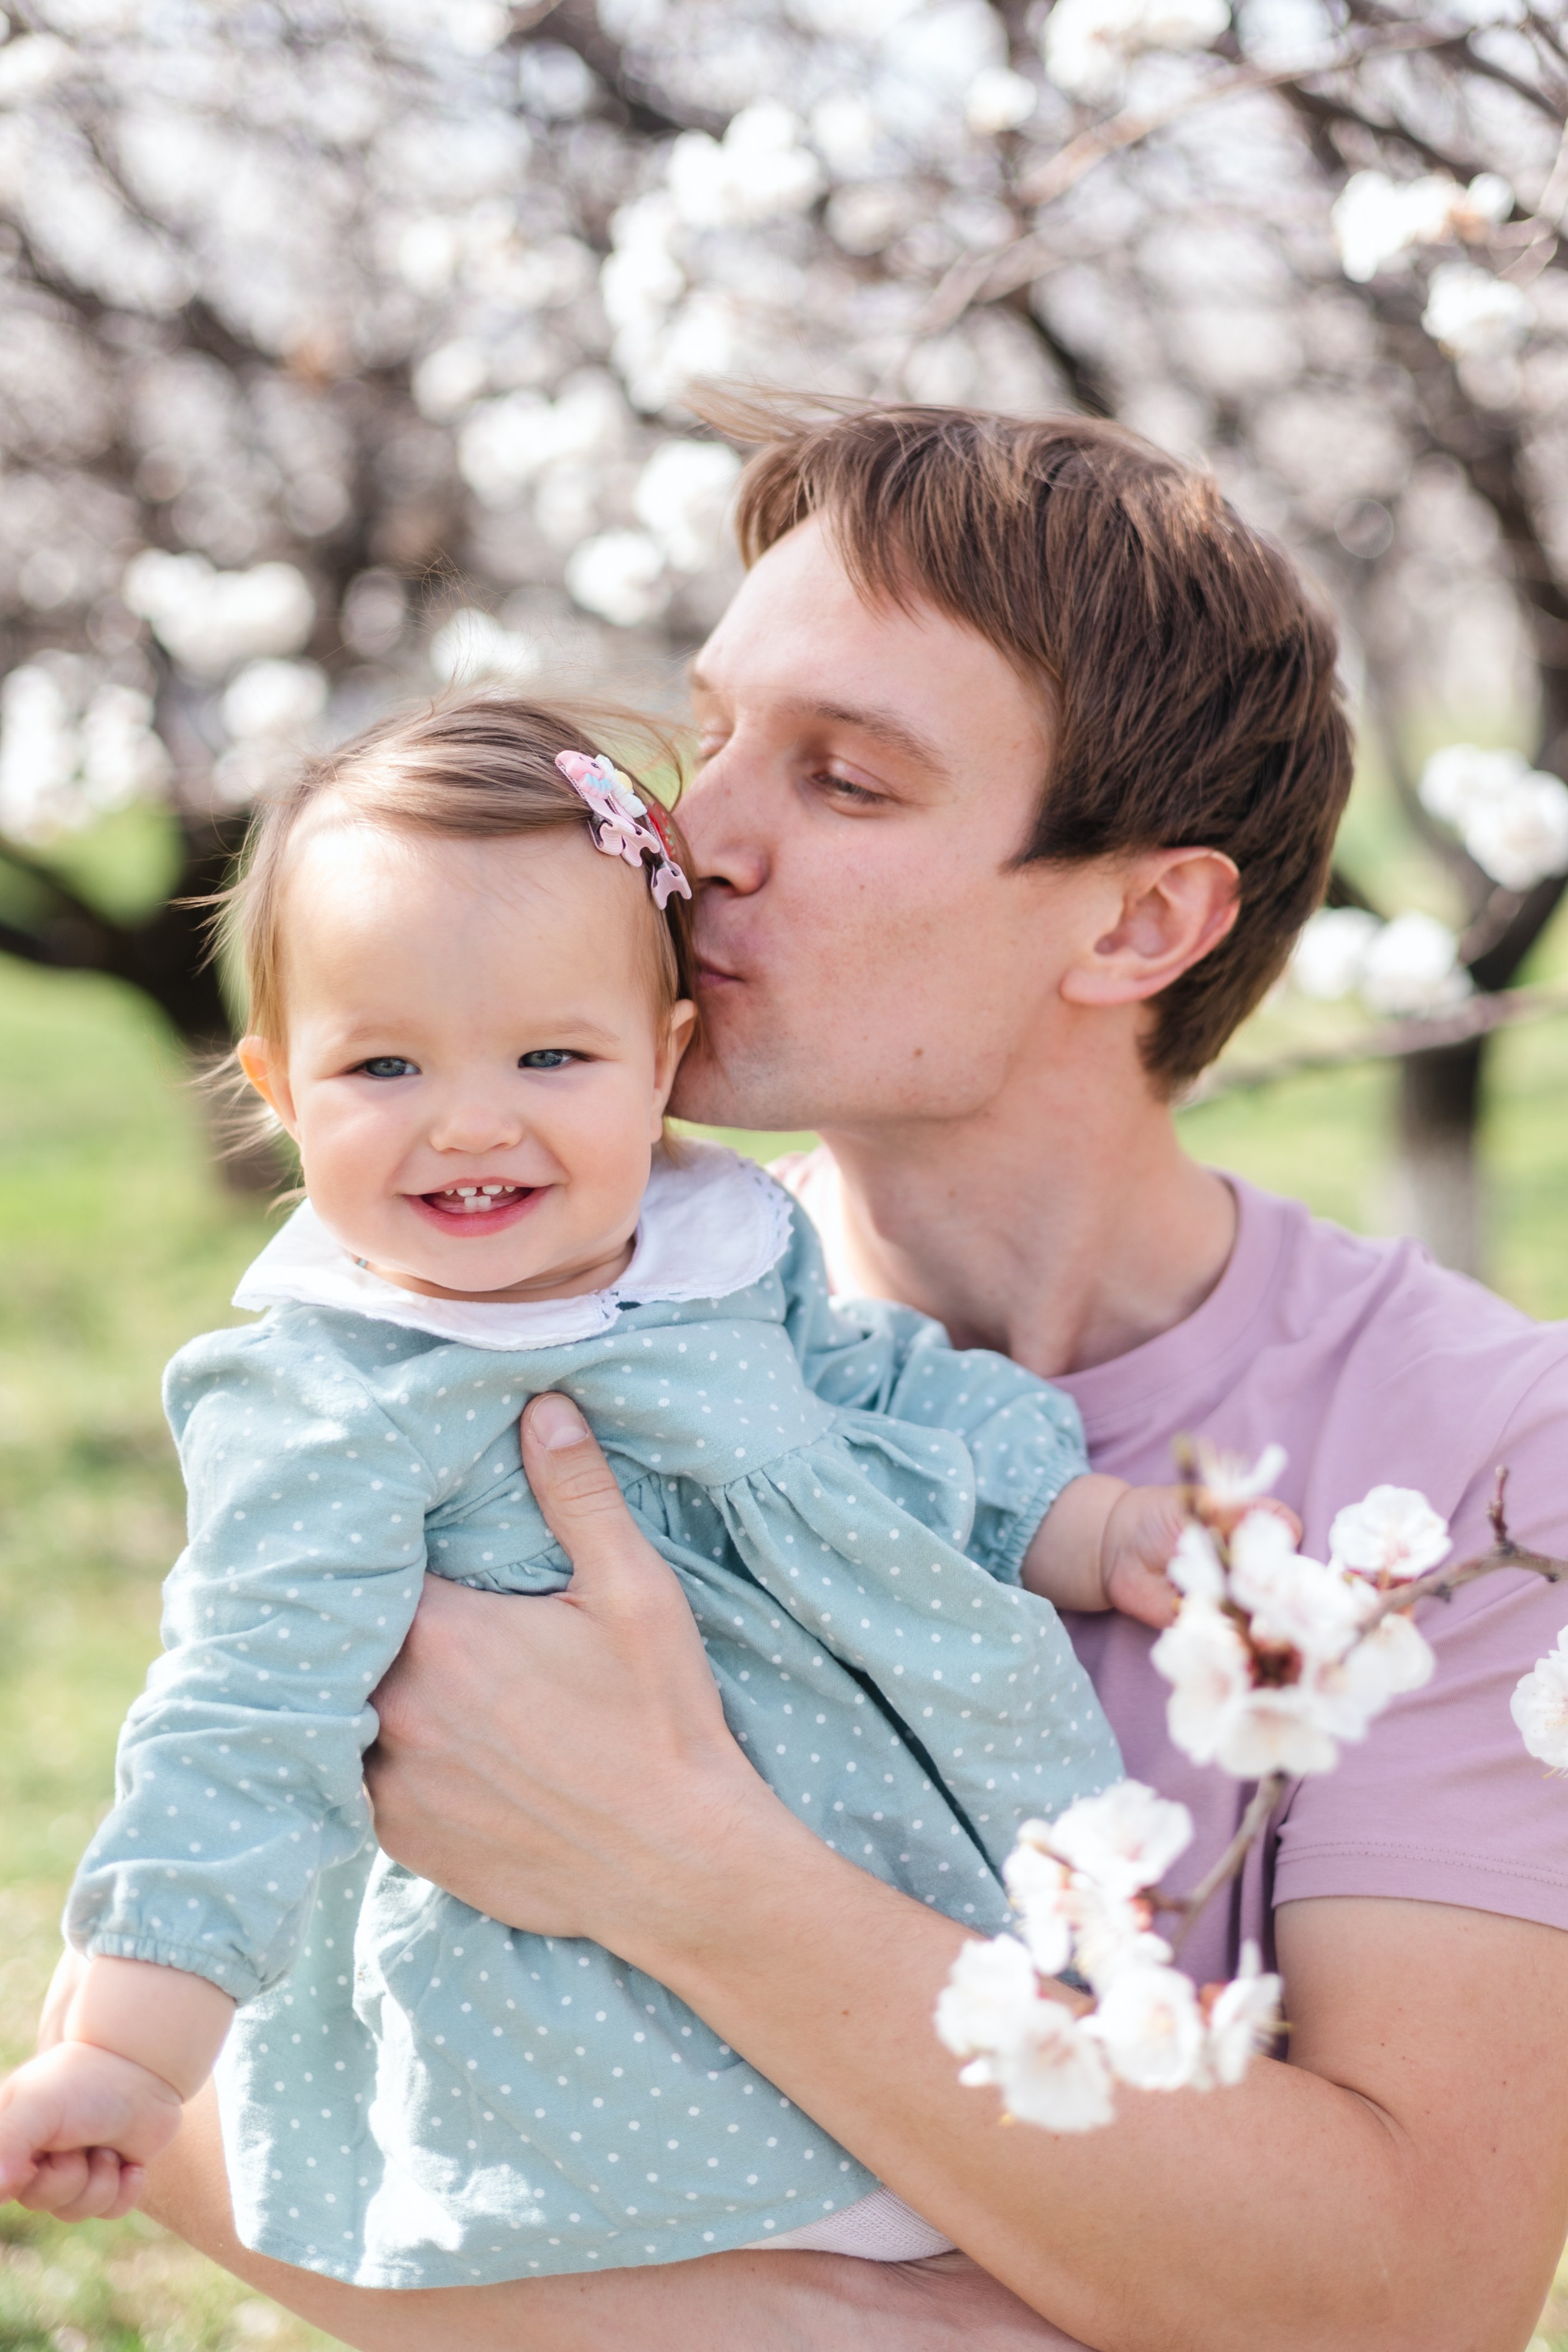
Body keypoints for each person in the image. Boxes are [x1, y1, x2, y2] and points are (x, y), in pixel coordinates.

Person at [40, 401, 1568, 2351]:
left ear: (1141, 917)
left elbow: (1405, 2303)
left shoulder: (1467, 1462)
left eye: (845, 780)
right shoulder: (515, 1332)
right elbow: (198, 2056)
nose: (695, 839)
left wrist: (681, 1866)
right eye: (715, 733)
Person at [0, 693, 1200, 2287]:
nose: (473, 1120)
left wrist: (1094, 1527)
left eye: (552, 1053)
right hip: (588, 2003)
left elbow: (886, 1410)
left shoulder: (722, 1248)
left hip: (890, 1872)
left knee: (986, 2183)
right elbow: (243, 1711)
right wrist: (135, 2055)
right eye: (386, 1064)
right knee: (772, 2259)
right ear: (283, 1090)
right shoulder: (333, 1401)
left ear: (666, 1062)